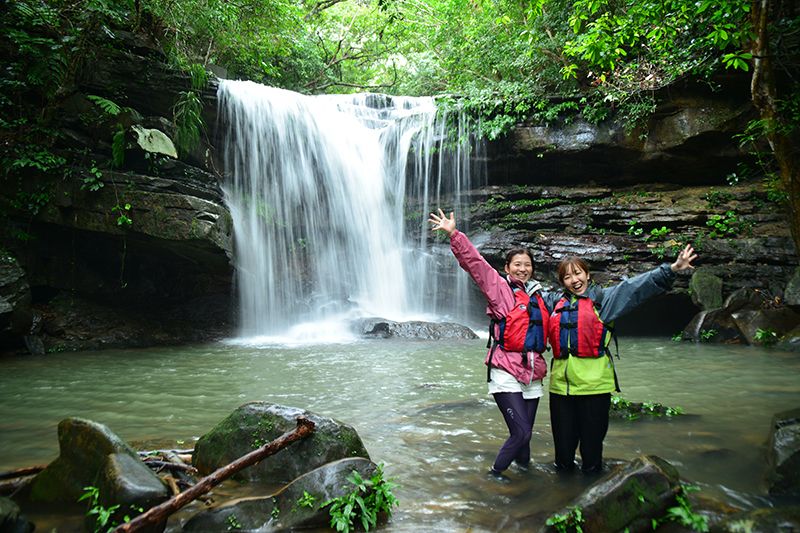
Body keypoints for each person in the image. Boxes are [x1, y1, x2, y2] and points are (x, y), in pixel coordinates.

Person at [428, 208, 559, 481]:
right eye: (517, 265)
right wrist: (454, 234)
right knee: (520, 432)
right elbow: (476, 265)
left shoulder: (538, 296)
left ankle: (526, 478)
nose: (523, 269)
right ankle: (494, 476)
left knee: (526, 438)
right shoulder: (499, 289)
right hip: (505, 371)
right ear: (507, 268)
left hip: (532, 374)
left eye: (527, 265)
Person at [548, 245, 697, 474]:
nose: (574, 280)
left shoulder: (605, 300)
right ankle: (563, 497)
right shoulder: (554, 303)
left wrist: (673, 269)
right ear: (562, 282)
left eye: (578, 273)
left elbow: (637, 287)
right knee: (563, 454)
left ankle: (592, 500)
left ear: (587, 275)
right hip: (560, 390)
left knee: (591, 452)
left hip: (594, 388)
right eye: (567, 277)